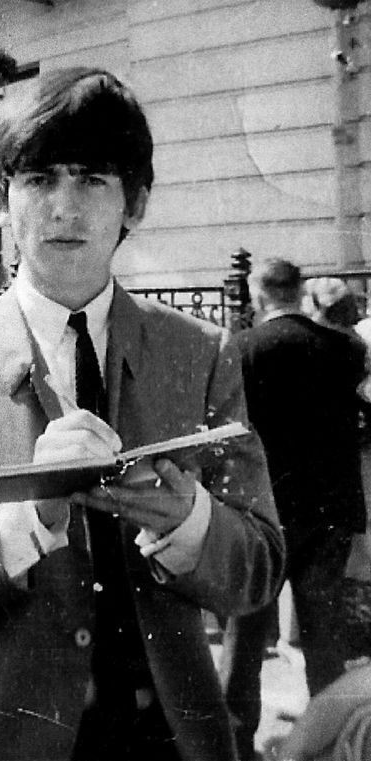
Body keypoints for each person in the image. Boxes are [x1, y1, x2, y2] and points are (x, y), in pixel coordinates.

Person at [0, 67, 284, 761]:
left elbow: (260, 567)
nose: (65, 207)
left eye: (91, 180)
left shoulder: (199, 353)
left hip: (168, 743)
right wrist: (24, 517)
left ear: (135, 203)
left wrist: (191, 521)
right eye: (38, 179)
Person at [218, 258, 368, 761]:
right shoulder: (346, 348)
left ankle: (237, 744)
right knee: (324, 635)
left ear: (257, 297)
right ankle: (333, 743)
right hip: (331, 511)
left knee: (246, 635)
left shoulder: (241, 350)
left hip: (269, 513)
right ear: (300, 293)